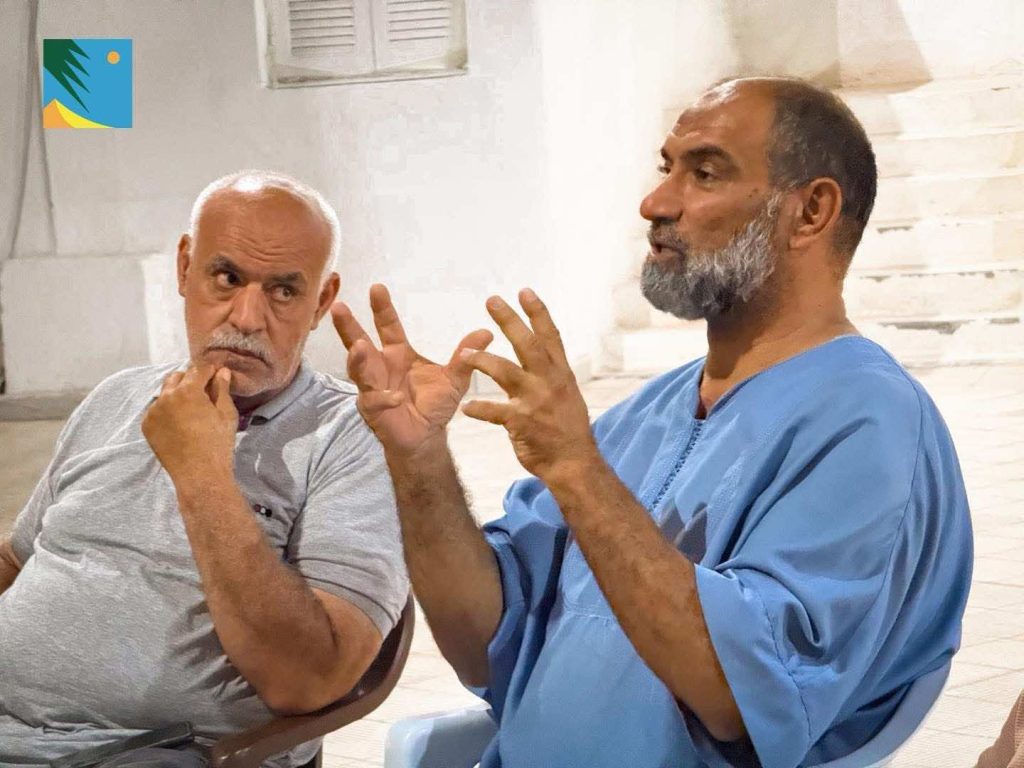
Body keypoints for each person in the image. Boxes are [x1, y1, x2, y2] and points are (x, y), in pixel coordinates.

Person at [332, 77, 973, 767]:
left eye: (705, 172)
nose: (656, 203)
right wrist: (420, 459)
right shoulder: (649, 414)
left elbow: (739, 699)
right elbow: (484, 647)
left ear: (810, 211)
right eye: (667, 168)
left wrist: (576, 470)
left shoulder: (869, 425)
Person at [0, 171, 408, 768]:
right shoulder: (117, 396)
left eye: (284, 290)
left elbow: (309, 680)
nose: (246, 317)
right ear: (185, 267)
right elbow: (18, 560)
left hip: (148, 754)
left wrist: (203, 475)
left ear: (321, 301)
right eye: (227, 278)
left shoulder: (357, 437)